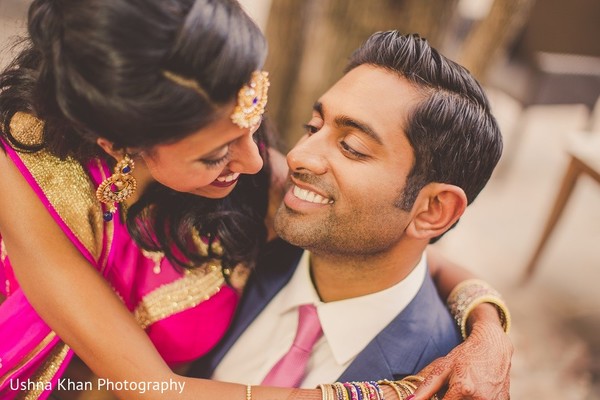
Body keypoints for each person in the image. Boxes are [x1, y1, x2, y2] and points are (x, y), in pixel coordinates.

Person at [0, 0, 510, 398]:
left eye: (254, 128)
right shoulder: (27, 178)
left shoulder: (252, 175)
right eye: (218, 153)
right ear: (118, 142)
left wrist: (490, 329)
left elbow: (396, 236)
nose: (260, 163)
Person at [191, 31, 510, 400]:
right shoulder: (250, 230)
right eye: (313, 127)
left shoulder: (445, 381)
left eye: (351, 147)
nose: (298, 156)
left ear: (433, 210)